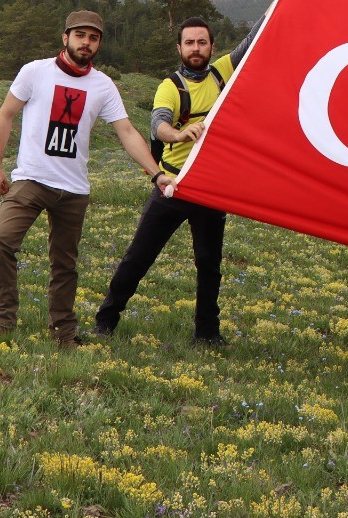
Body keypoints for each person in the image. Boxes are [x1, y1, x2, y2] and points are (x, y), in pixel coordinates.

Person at [0, 9, 163, 345]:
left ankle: (63, 332)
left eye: (93, 38)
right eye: (80, 35)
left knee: (65, 264)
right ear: (65, 37)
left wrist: (157, 174)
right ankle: (2, 321)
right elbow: (5, 116)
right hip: (31, 180)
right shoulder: (35, 72)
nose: (86, 43)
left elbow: (126, 131)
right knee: (2, 241)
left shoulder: (103, 86)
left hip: (73, 188)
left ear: (98, 45)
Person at [94, 17, 256, 345]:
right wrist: (180, 135)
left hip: (211, 188)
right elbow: (158, 126)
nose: (196, 49)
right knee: (139, 256)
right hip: (173, 185)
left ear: (212, 47)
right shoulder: (170, 86)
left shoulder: (223, 71)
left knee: (209, 264)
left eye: (202, 43)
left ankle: (208, 334)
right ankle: (105, 322)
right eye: (190, 43)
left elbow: (255, 38)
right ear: (179, 48)